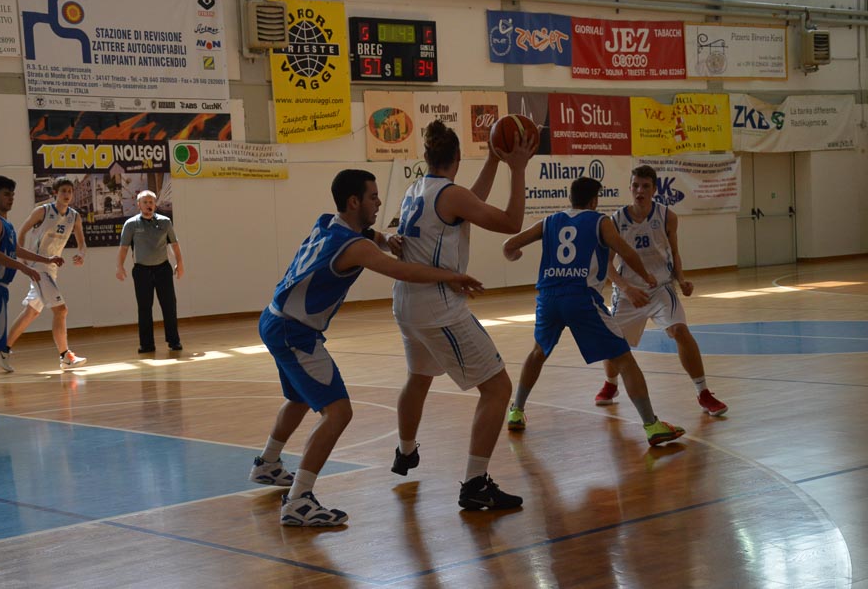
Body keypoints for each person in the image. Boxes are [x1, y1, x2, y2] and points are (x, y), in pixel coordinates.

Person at [251, 169, 484, 527]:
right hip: (293, 331)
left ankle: (268, 463)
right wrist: (452, 276)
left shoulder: (328, 221)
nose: (378, 202)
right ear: (353, 201)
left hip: (274, 319)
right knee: (338, 412)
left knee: (299, 397)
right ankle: (298, 501)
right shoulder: (356, 248)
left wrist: (386, 237)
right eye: (373, 197)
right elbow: (402, 271)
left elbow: (369, 234)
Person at [390, 120, 537, 512]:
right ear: (457, 157)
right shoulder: (450, 195)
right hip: (438, 306)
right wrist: (517, 169)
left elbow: (468, 204)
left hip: (405, 302)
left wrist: (492, 160)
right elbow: (511, 222)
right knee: (498, 388)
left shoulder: (416, 189)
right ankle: (474, 483)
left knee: (418, 377)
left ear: (427, 156)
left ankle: (405, 452)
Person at [503, 177, 686, 447]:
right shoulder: (600, 221)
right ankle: (652, 425)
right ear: (594, 201)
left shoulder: (549, 221)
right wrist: (646, 275)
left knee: (538, 352)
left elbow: (509, 246)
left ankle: (516, 411)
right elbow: (626, 252)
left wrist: (513, 255)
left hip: (548, 298)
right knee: (624, 359)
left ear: (571, 198)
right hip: (581, 298)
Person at [594, 165, 727, 415]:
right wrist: (626, 288)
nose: (640, 191)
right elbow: (607, 265)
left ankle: (703, 392)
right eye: (635, 186)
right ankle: (611, 384)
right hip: (629, 292)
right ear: (630, 188)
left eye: (645, 186)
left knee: (680, 331)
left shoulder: (668, 217)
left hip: (661, 288)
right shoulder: (616, 221)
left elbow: (674, 252)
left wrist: (682, 280)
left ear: (654, 189)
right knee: (613, 342)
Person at [0, 176, 62, 412]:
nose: (11, 198)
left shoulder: (5, 224)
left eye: (12, 194)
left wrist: (45, 259)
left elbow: (16, 250)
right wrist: (24, 268)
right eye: (6, 194)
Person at [0, 177, 88, 372]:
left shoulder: (74, 216)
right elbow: (21, 232)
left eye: (70, 191)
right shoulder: (42, 211)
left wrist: (81, 254)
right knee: (61, 310)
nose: (67, 194)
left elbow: (82, 243)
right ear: (55, 193)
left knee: (31, 312)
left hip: (52, 269)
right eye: (63, 191)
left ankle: (3, 349)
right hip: (38, 266)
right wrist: (22, 258)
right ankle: (65, 356)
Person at [116, 190, 184, 353]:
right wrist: (120, 266)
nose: (149, 205)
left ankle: (174, 341)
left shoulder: (165, 222)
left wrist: (180, 263)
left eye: (151, 202)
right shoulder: (131, 224)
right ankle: (146, 344)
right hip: (142, 271)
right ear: (138, 205)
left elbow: (175, 244)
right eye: (145, 202)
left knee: (169, 306)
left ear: (155, 205)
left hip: (163, 269)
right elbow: (124, 248)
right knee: (144, 308)